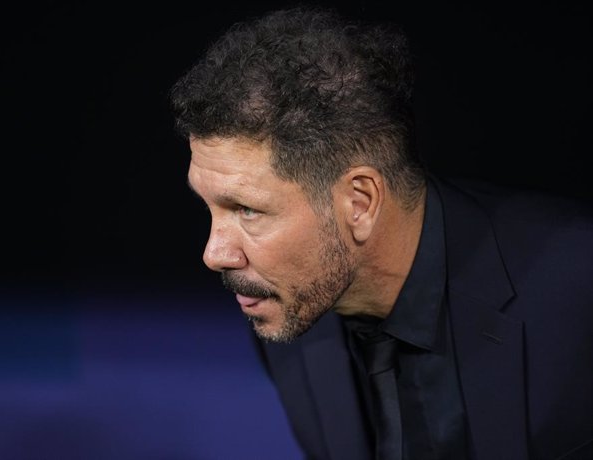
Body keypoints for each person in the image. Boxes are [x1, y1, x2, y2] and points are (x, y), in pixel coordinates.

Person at [169, 5, 593, 460]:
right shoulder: (289, 301)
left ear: (360, 202)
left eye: (248, 210)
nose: (214, 253)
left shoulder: (577, 291)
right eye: (210, 207)